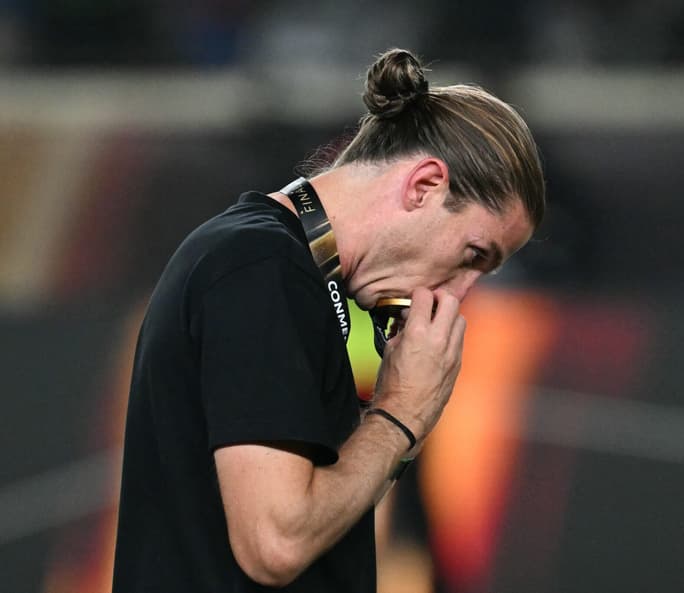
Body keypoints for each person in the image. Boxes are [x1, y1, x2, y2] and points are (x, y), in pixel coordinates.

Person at [111, 48, 545, 593]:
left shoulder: (291, 275)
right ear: (425, 186)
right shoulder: (260, 268)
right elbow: (278, 544)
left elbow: (318, 524)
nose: (458, 293)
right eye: (472, 255)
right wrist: (402, 413)